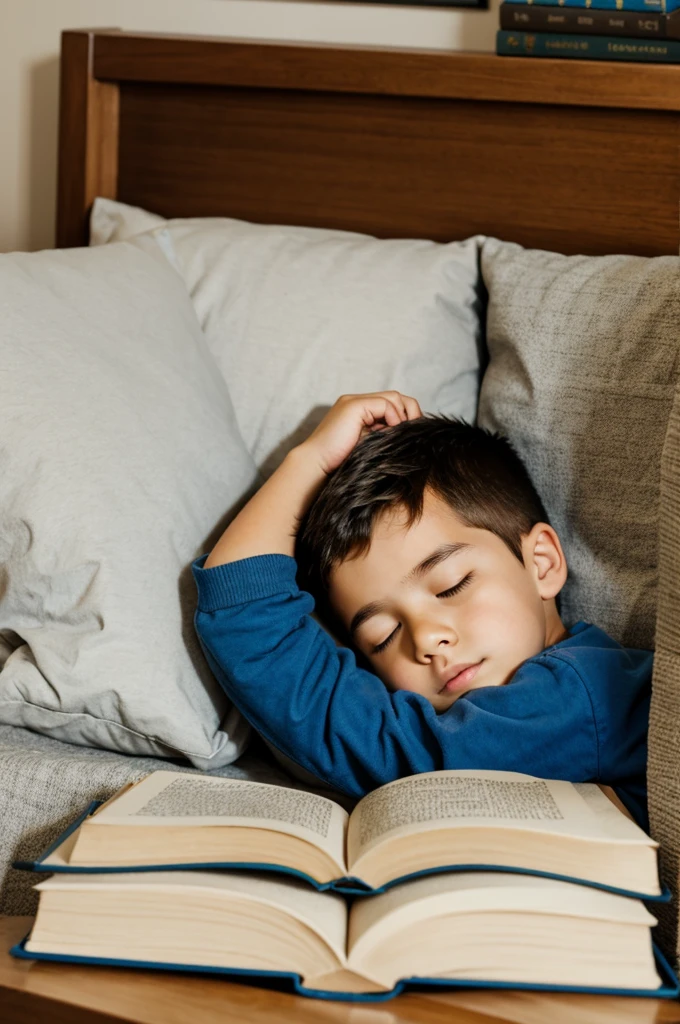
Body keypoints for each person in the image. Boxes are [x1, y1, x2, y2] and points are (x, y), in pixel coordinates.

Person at [191, 391, 652, 828]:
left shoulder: (583, 696)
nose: (428, 639)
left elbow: (248, 620)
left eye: (452, 586)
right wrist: (307, 462)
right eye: (383, 636)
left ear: (542, 563)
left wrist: (307, 462)